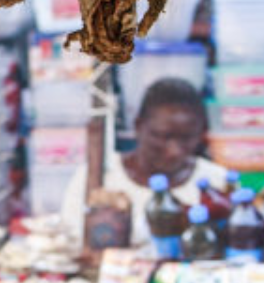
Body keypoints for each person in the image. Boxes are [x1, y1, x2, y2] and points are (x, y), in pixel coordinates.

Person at [57, 78, 226, 247]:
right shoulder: (99, 175)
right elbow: (69, 242)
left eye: (186, 138)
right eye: (162, 136)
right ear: (138, 126)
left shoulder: (217, 182)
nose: (174, 151)